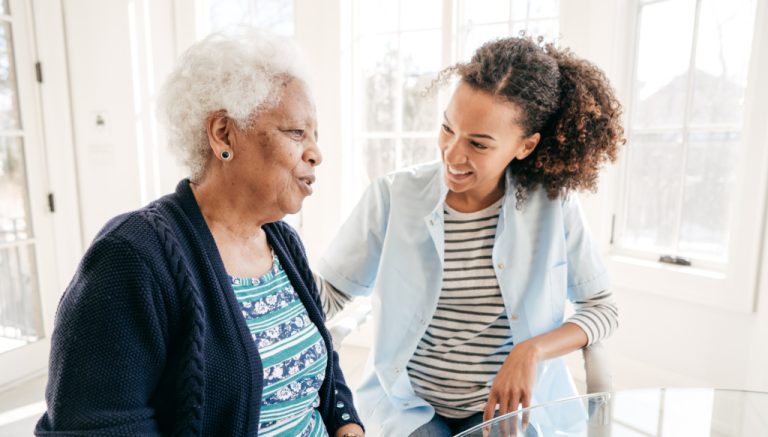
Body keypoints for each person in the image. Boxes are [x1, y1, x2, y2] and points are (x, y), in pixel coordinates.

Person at [35, 28, 364, 437]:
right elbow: (96, 426)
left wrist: (346, 422)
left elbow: (322, 367)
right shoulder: (131, 256)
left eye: (315, 136)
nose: (315, 152)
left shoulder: (282, 241)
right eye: (296, 132)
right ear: (223, 133)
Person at [315, 36, 624, 437]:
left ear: (525, 146)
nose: (451, 154)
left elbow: (602, 308)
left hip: (507, 414)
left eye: (478, 144)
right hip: (412, 406)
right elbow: (330, 294)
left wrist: (530, 351)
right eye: (447, 128)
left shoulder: (553, 205)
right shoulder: (393, 196)